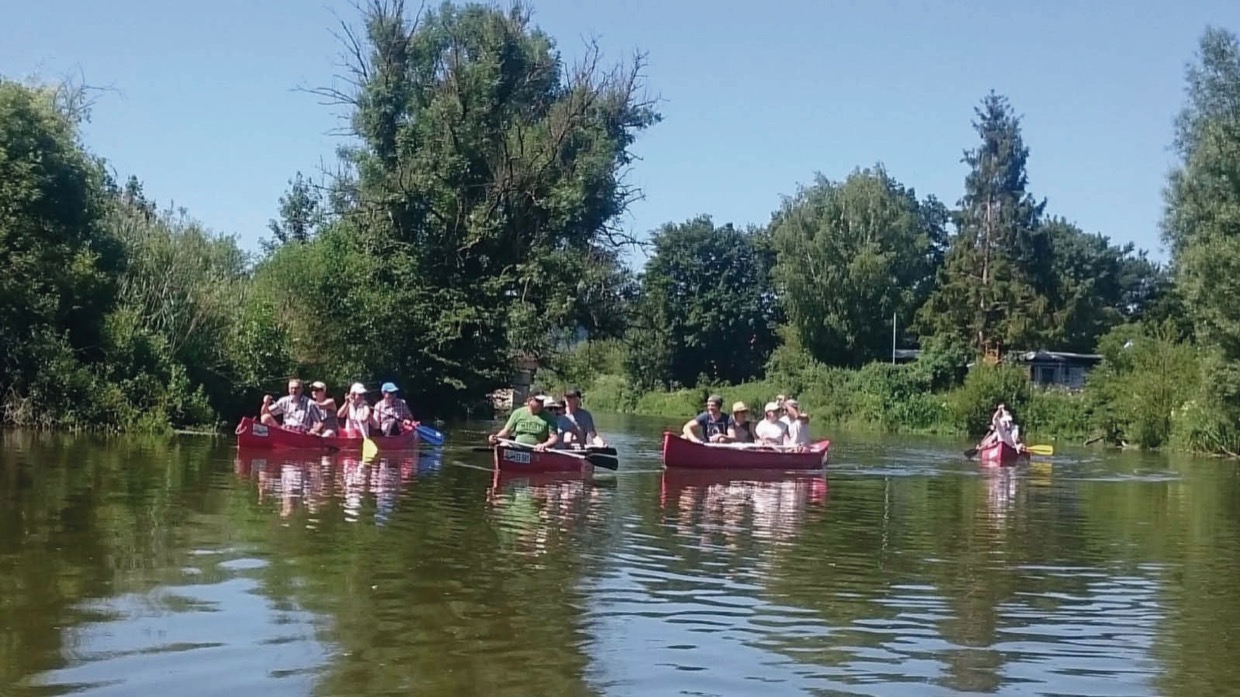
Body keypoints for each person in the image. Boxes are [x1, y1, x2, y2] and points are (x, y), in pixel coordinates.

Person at [489, 393, 560, 450]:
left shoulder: (549, 417)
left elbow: (553, 438)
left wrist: (544, 445)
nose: (541, 403)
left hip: (536, 450)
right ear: (530, 401)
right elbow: (507, 432)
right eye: (538, 401)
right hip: (517, 448)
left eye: (542, 401)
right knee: (502, 445)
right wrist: (496, 437)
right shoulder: (518, 413)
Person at [260, 378, 325, 434]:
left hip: (301, 433)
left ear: (302, 390)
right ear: (288, 390)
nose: (294, 391)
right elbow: (264, 413)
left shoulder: (310, 404)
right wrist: (266, 403)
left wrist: (314, 431)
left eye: (297, 388)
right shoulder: (284, 401)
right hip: (284, 431)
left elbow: (320, 423)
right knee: (265, 417)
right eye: (292, 388)